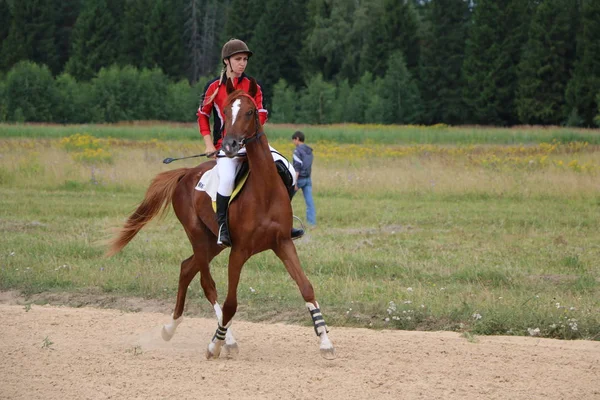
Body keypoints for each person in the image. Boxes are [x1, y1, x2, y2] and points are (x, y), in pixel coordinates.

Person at [197, 38, 303, 247]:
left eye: (245, 59)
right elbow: (202, 115)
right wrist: (209, 144)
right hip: (226, 147)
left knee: (288, 170)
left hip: (254, 144)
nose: (242, 63)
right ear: (227, 61)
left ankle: (285, 221)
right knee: (226, 179)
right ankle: (223, 229)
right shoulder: (214, 88)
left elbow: (261, 113)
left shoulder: (252, 86)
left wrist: (250, 134)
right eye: (238, 59)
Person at [292, 131, 316, 226]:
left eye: (293, 140)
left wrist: (295, 182)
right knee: (309, 202)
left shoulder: (297, 151)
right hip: (308, 179)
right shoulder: (309, 151)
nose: (293, 142)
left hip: (300, 179)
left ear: (297, 139)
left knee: (286, 200)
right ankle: (312, 223)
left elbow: (297, 168)